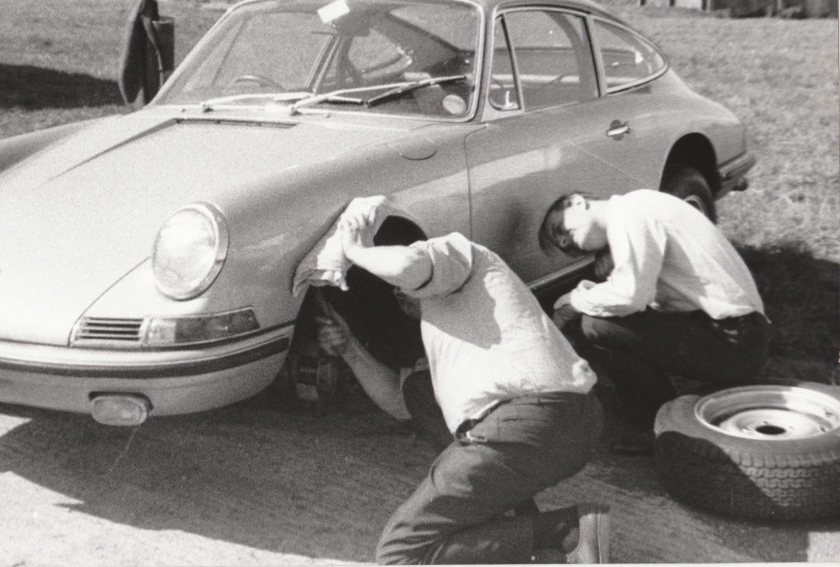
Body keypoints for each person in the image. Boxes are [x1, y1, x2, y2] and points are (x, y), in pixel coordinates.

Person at [317, 196, 609, 565]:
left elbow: (408, 265)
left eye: (396, 289)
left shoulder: (461, 254)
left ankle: (567, 533)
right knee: (423, 393)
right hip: (562, 425)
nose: (396, 295)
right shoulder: (460, 338)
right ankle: (541, 540)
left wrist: (355, 249)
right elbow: (399, 400)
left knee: (401, 554)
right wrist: (347, 348)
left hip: (530, 418)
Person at [538, 190, 771, 453]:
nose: (565, 242)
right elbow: (638, 298)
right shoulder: (639, 207)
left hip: (733, 341)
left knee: (596, 325)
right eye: (563, 246)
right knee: (601, 318)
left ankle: (657, 424)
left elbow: (629, 297)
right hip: (731, 334)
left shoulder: (631, 212)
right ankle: (654, 411)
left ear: (577, 202)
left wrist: (573, 299)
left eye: (562, 229)